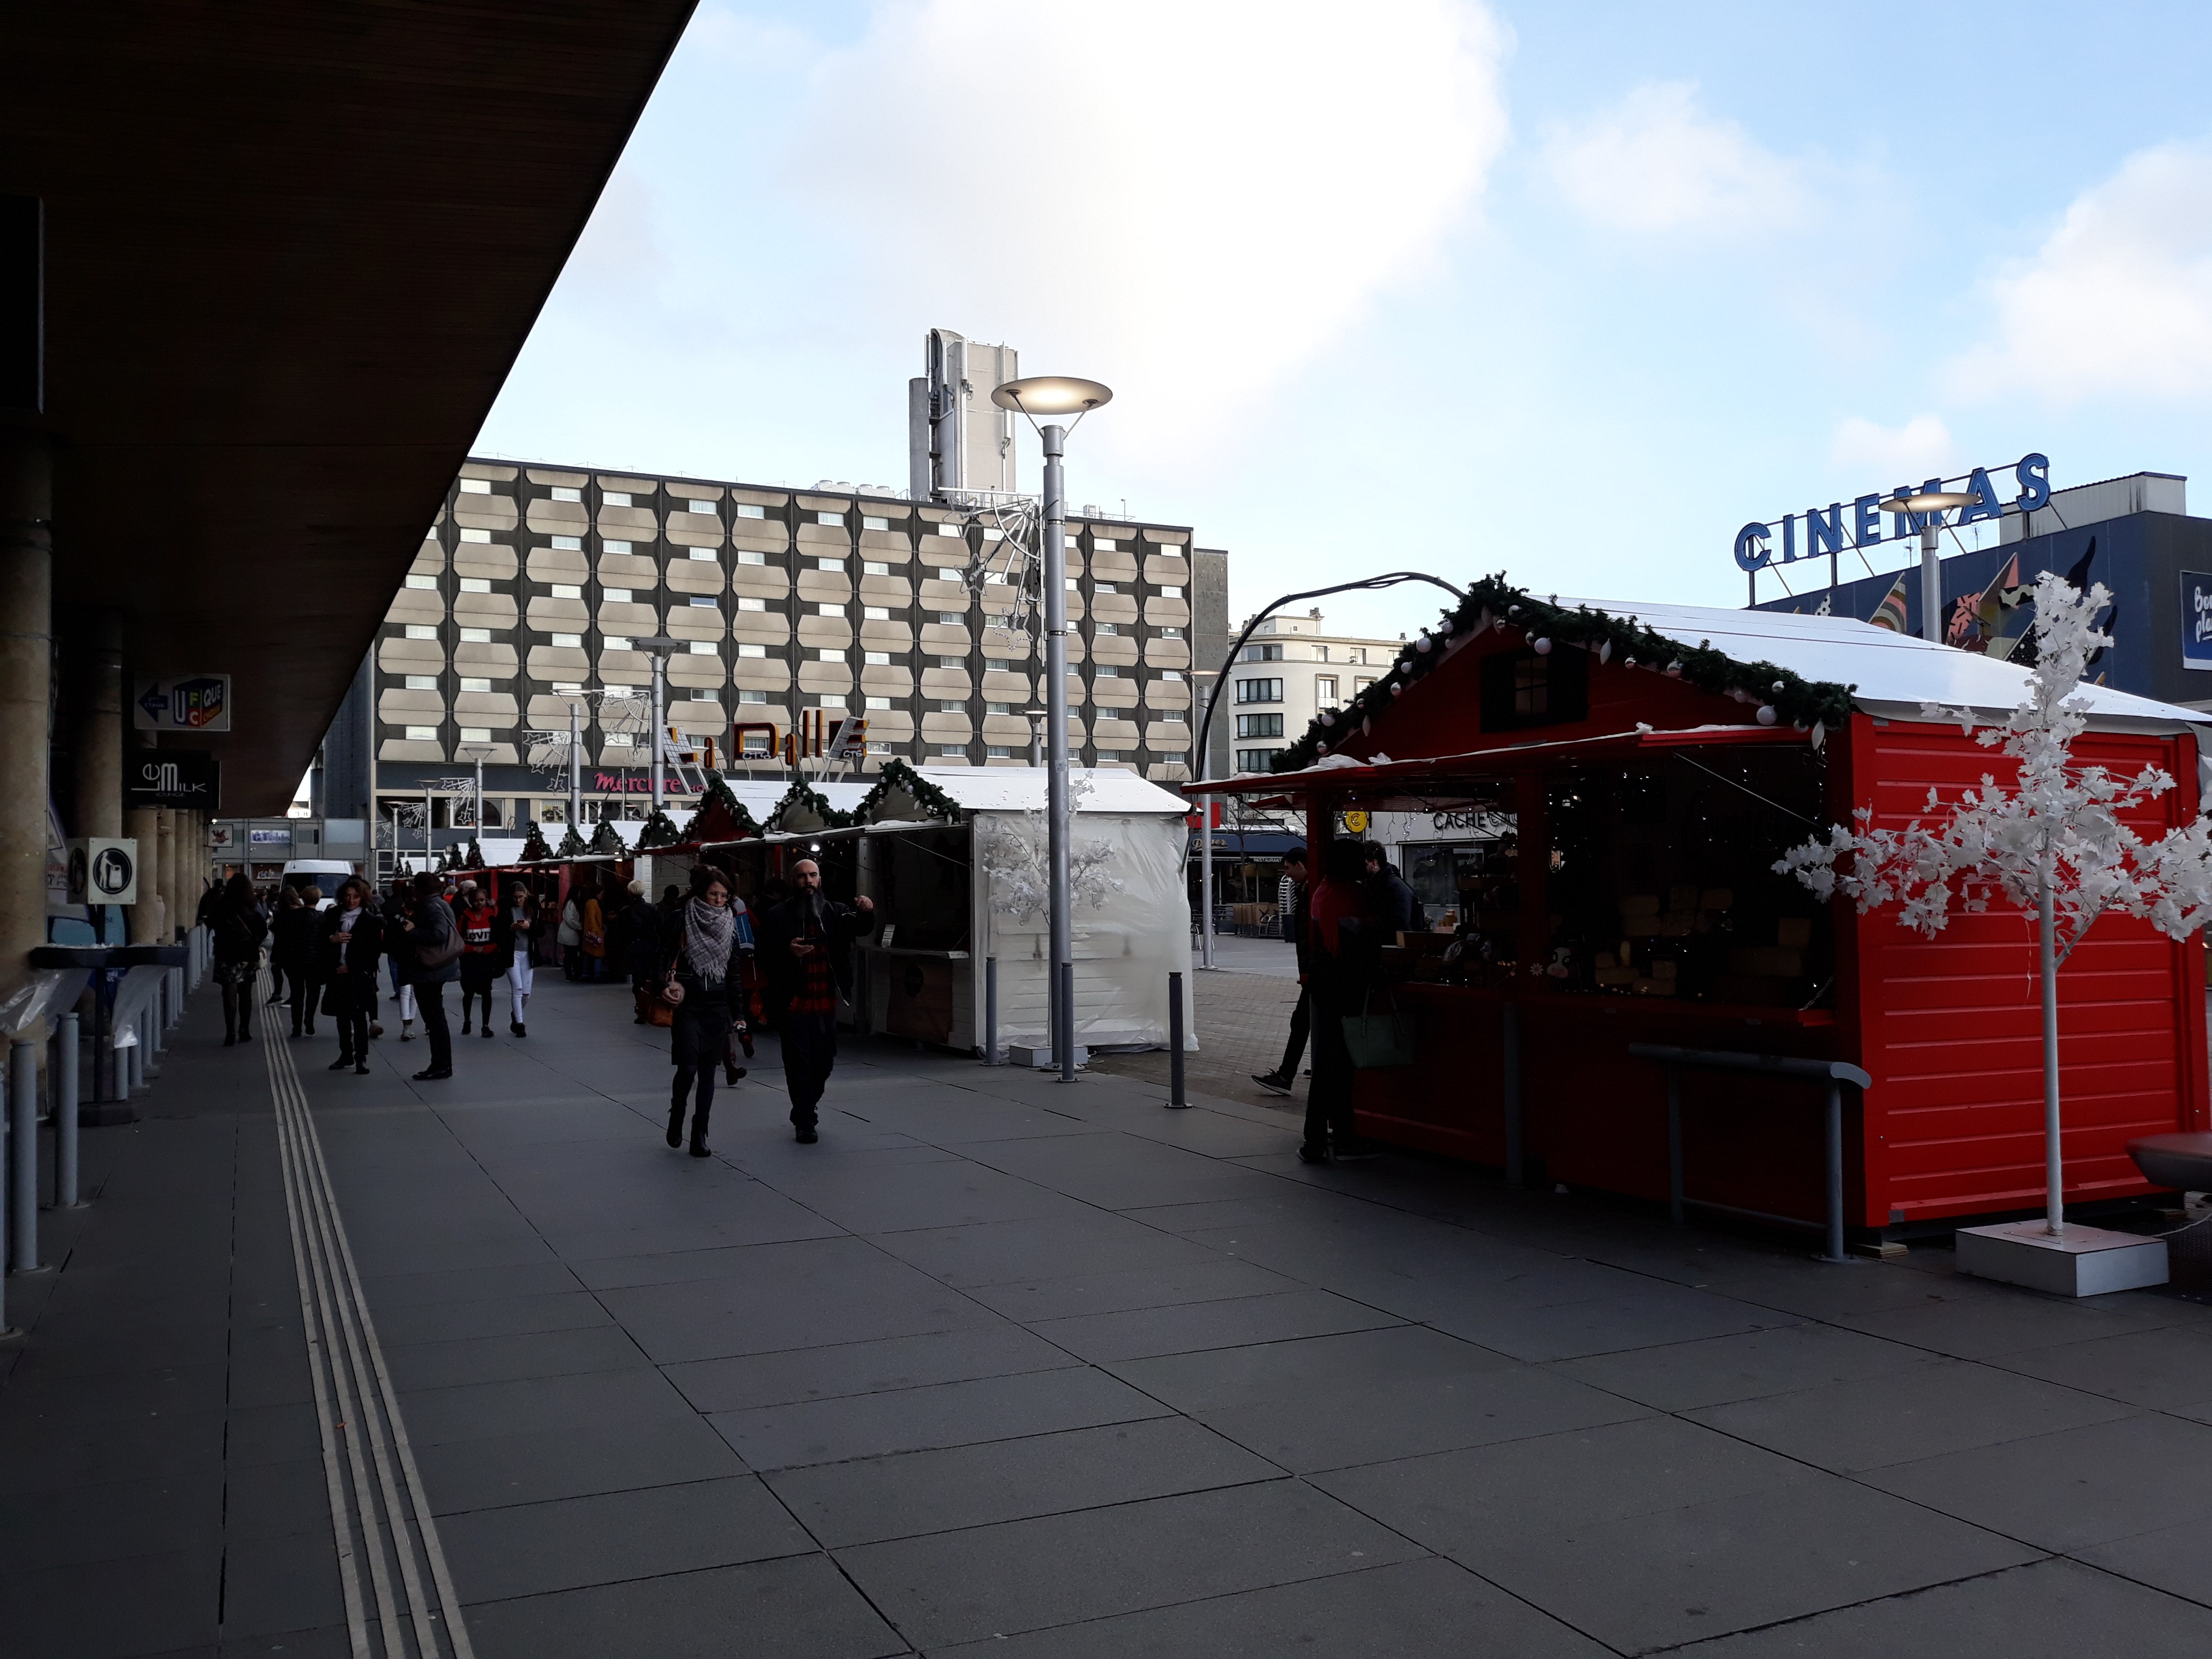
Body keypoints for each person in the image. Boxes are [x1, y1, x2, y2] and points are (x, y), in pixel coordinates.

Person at [756, 857, 876, 1144]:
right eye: (802, 876)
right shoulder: (777, 916)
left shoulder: (835, 912)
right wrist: (788, 953)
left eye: (813, 876)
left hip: (824, 1003)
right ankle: (805, 1120)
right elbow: (763, 956)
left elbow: (861, 928)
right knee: (798, 1062)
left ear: (820, 880)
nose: (808, 881)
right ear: (793, 881)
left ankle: (806, 1105)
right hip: (793, 1003)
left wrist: (867, 911)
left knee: (824, 1062)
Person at [659, 864, 753, 1157]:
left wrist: (739, 1013)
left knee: (709, 1072)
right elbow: (662, 956)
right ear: (701, 893)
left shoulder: (730, 924)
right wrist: (664, 985)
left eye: (724, 896)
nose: (718, 901)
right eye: (713, 894)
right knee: (688, 1067)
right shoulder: (682, 917)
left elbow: (734, 971)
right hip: (688, 1003)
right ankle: (677, 1115)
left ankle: (699, 1133)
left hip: (717, 1005)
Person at [1302, 839, 1383, 1165]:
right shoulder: (1354, 895)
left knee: (1328, 1063)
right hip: (1346, 985)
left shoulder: (1323, 891)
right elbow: (1366, 941)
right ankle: (1333, 1138)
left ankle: (1320, 1138)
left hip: (1324, 982)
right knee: (1339, 1065)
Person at [1252, 847, 1312, 1096]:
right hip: (1313, 969)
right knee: (1304, 1021)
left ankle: (1286, 1075)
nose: (1286, 874)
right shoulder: (1305, 889)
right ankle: (1287, 1074)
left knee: (1302, 1021)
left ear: (1300, 864)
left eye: (1288, 868)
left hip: (1317, 970)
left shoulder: (1312, 890)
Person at [395, 871, 459, 1080]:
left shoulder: (431, 907)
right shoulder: (439, 904)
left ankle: (441, 1065)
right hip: (436, 969)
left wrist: (412, 931)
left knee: (434, 1018)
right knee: (435, 1018)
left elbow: (439, 934)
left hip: (430, 970)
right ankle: (441, 1064)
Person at [318, 877, 383, 1074]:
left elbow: (374, 952)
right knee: (342, 1017)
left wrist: (352, 966)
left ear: (363, 898)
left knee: (359, 1016)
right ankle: (345, 1054)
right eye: (347, 896)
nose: (351, 900)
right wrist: (332, 940)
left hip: (358, 975)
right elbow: (318, 940)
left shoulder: (371, 921)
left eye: (356, 897)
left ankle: (361, 1057)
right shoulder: (332, 915)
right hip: (336, 973)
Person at [210, 873, 269, 1047]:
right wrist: (254, 942)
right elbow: (263, 930)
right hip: (246, 956)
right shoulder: (253, 906)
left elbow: (213, 924)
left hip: (226, 955)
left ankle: (230, 1032)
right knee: (246, 992)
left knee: (229, 992)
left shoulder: (221, 906)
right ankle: (244, 1029)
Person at [267, 886, 316, 1035]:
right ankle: (309, 1020)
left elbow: (277, 933)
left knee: (297, 992)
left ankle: (297, 1027)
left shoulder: (286, 915)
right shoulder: (319, 917)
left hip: (293, 958)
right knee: (313, 993)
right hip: (313, 960)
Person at [455, 883, 502, 1038]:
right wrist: (472, 949)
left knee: (487, 992)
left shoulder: (492, 918)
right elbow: (459, 941)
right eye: (476, 900)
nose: (479, 903)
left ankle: (485, 1025)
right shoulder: (464, 919)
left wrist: (488, 949)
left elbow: (498, 940)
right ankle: (467, 1020)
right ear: (471, 901)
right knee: (468, 992)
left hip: (486, 960)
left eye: (482, 900)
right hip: (469, 961)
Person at [613, 879, 662, 1022]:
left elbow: (620, 934)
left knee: (638, 981)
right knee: (652, 980)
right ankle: (651, 1008)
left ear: (629, 892)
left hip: (634, 949)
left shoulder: (625, 913)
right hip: (651, 948)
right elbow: (660, 930)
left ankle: (641, 1010)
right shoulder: (653, 909)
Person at [497, 881, 537, 1036]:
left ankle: (516, 1014)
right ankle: (520, 1023)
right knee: (518, 988)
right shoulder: (506, 909)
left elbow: (540, 931)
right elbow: (499, 931)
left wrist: (530, 927)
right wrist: (510, 928)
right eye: (515, 897)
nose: (518, 900)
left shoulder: (533, 909)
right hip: (512, 952)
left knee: (527, 993)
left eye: (521, 897)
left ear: (526, 895)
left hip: (528, 952)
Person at [1363, 840, 1418, 938]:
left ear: (1374, 863)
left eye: (1363, 863)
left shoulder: (1393, 887)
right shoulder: (1377, 885)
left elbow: (1399, 925)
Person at [581, 880, 608, 982]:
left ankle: (586, 974)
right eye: (601, 894)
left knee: (588, 954)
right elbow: (592, 918)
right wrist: (595, 931)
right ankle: (597, 974)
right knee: (598, 954)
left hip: (590, 932)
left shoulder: (589, 902)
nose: (602, 896)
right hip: (595, 932)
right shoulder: (593, 902)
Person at [558, 881, 586, 980]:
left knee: (570, 955)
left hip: (569, 933)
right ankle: (570, 974)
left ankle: (571, 974)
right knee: (570, 955)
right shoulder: (571, 903)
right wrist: (579, 926)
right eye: (579, 893)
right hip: (569, 933)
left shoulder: (570, 903)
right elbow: (570, 919)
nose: (580, 895)